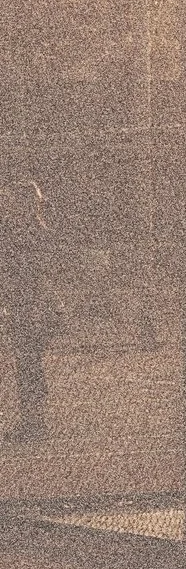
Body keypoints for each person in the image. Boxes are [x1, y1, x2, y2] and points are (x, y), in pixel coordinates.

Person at [3, 163, 56, 444]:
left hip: (32, 305)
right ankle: (33, 420)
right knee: (27, 362)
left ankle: (34, 422)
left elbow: (36, 274)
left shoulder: (31, 232)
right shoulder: (23, 230)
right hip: (24, 303)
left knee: (29, 362)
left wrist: (34, 307)